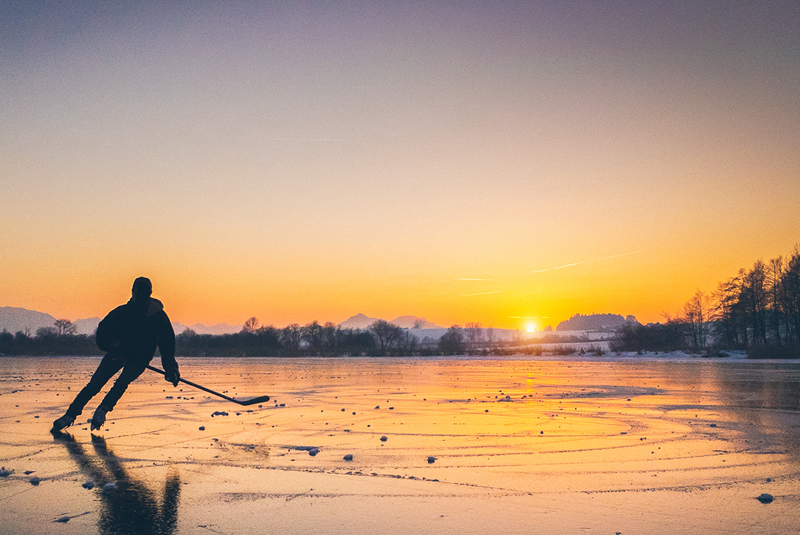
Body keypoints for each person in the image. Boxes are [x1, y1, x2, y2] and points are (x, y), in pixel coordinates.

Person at [51, 277, 180, 432]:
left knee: (122, 383)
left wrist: (171, 368)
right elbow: (103, 333)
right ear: (133, 292)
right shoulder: (121, 313)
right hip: (117, 354)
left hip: (140, 359)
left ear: (150, 294)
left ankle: (102, 410)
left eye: (144, 294)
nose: (140, 298)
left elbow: (167, 344)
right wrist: (116, 348)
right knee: (94, 385)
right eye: (138, 293)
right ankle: (70, 415)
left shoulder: (158, 317)